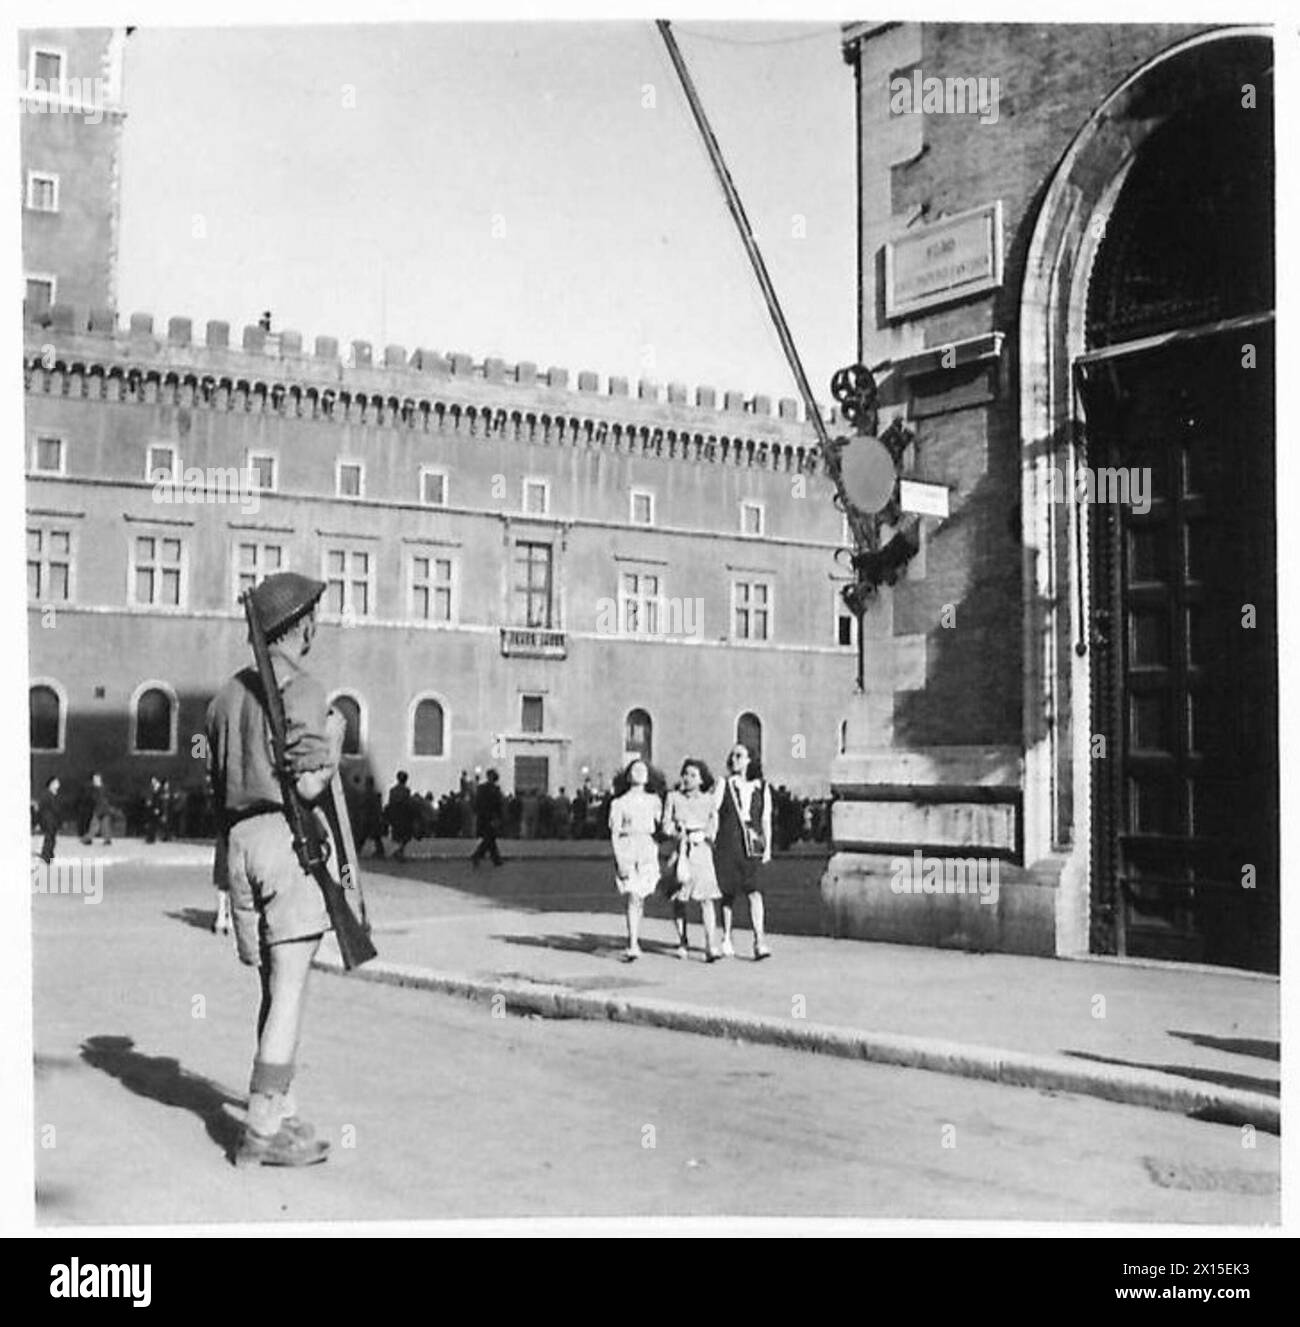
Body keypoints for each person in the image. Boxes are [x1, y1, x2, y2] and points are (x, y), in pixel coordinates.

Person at [206, 570, 344, 1168]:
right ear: (301, 624)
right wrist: (334, 738)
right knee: (290, 990)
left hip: (238, 844)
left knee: (272, 986)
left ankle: (282, 1112)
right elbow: (311, 781)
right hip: (287, 840)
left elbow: (215, 779)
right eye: (314, 616)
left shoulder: (225, 697)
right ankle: (261, 1128)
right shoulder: (303, 688)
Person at [714, 742, 773, 960]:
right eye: (732, 756)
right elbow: (714, 811)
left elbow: (765, 819)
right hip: (729, 842)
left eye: (739, 755)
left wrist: (768, 847)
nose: (734, 759)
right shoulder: (725, 784)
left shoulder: (763, 787)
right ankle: (727, 937)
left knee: (755, 891)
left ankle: (759, 940)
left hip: (753, 845)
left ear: (750, 759)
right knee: (727, 892)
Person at [664, 759, 723, 962]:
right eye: (685, 774)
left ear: (701, 779)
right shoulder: (673, 798)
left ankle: (710, 945)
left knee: (707, 899)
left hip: (702, 852)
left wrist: (706, 834)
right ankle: (682, 940)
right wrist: (677, 831)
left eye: (693, 775)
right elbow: (665, 825)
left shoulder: (708, 800)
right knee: (680, 899)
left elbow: (714, 824)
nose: (688, 779)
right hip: (681, 852)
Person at [608, 758, 662, 961]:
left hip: (647, 848)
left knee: (640, 896)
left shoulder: (654, 801)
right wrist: (619, 858)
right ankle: (632, 942)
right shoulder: (619, 803)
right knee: (633, 896)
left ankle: (635, 937)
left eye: (643, 769)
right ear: (628, 775)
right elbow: (614, 834)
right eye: (635, 769)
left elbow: (663, 825)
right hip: (628, 847)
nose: (639, 772)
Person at [470, 769, 505, 867]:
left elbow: (477, 803)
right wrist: (499, 817)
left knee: (490, 838)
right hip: (490, 817)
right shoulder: (495, 790)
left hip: (483, 816)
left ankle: (495, 859)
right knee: (490, 838)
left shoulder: (481, 788)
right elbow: (498, 805)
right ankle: (479, 855)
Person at [385, 771, 414, 860]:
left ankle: (399, 851)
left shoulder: (393, 790)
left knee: (398, 834)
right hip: (403, 815)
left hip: (395, 815)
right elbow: (408, 803)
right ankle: (400, 851)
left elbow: (390, 803)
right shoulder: (406, 791)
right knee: (405, 835)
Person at [80, 773, 114, 845]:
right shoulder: (92, 789)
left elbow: (108, 797)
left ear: (100, 779)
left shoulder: (103, 788)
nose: (95, 780)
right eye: (94, 779)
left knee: (105, 825)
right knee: (95, 826)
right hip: (98, 809)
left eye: (97, 778)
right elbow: (92, 799)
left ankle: (107, 839)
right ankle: (88, 838)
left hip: (104, 809)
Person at [36, 775, 61, 865]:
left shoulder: (54, 794)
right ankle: (46, 857)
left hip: (53, 820)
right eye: (56, 783)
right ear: (51, 784)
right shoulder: (46, 794)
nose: (58, 784)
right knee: (49, 839)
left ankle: (49, 856)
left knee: (52, 839)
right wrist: (39, 821)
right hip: (48, 820)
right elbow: (43, 808)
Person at [359, 776, 386, 858]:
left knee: (363, 836)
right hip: (374, 818)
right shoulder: (376, 795)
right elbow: (379, 807)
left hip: (367, 818)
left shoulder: (365, 795)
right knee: (376, 837)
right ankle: (380, 852)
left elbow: (361, 806)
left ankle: (357, 850)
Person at [143, 776, 165, 844]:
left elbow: (158, 800)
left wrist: (158, 808)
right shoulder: (151, 789)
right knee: (151, 823)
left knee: (153, 823)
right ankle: (150, 837)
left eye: (154, 780)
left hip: (155, 807)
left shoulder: (158, 789)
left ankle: (151, 837)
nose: (153, 782)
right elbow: (149, 798)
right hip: (151, 808)